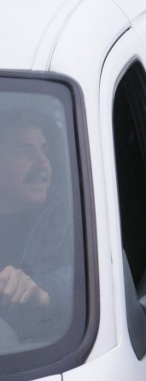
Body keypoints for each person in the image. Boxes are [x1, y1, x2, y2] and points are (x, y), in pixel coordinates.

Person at [0, 109, 73, 343]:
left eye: (44, 151)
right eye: (25, 152)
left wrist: (41, 294)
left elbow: (89, 279)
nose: (42, 164)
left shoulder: (74, 214)